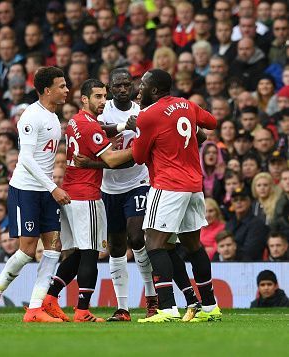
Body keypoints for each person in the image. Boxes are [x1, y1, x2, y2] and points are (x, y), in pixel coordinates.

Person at [130, 69, 221, 323]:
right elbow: (211, 123)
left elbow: (138, 157)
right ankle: (210, 307)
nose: (140, 90)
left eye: (143, 85)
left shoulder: (147, 115)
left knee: (154, 244)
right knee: (193, 246)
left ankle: (167, 309)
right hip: (194, 185)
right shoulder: (187, 104)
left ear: (155, 90)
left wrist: (138, 129)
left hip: (168, 185)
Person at [41, 78, 135, 323]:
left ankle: (50, 298)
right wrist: (140, 149)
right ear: (84, 99)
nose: (103, 101)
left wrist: (123, 127)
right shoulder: (91, 126)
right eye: (97, 97)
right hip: (88, 197)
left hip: (71, 195)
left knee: (77, 254)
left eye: (105, 96)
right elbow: (113, 160)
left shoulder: (76, 121)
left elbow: (100, 131)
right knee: (91, 253)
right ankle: (82, 310)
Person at [0, 66, 70, 323]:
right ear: (47, 90)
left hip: (45, 191)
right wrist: (53, 186)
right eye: (61, 86)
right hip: (26, 190)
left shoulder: (53, 117)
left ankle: (34, 309)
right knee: (27, 251)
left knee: (54, 249)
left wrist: (50, 187)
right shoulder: (31, 116)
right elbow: (27, 159)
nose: (66, 90)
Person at [97, 69, 159, 321]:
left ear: (133, 85)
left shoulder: (142, 111)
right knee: (116, 246)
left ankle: (152, 297)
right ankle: (123, 308)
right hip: (109, 186)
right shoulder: (103, 110)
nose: (123, 89)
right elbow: (98, 130)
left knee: (136, 237)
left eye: (126, 84)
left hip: (138, 182)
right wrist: (124, 126)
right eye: (117, 85)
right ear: (110, 88)